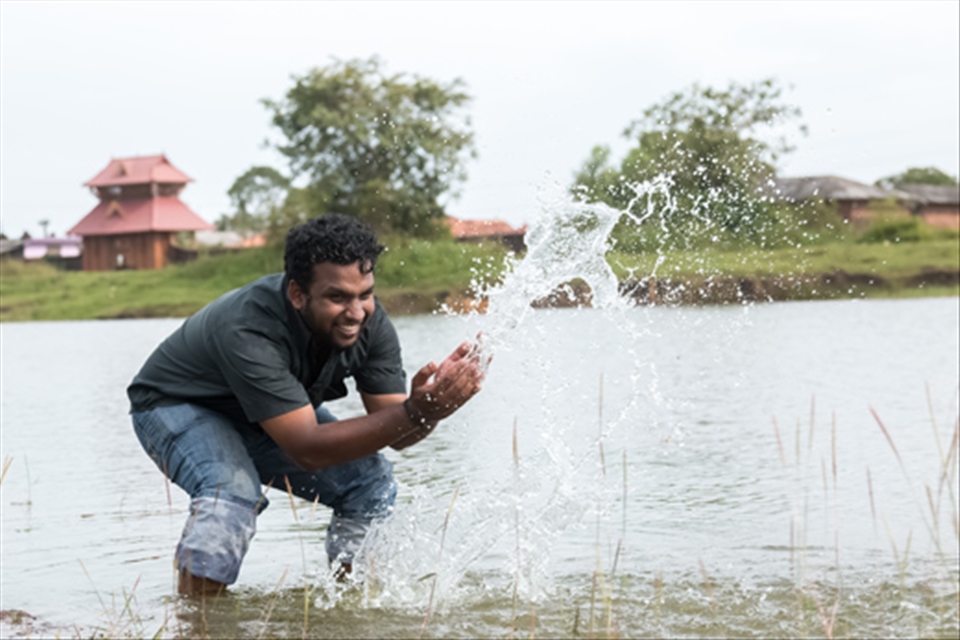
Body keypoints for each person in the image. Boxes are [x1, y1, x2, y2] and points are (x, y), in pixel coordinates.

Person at [128, 214, 485, 595]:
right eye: (337, 297)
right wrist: (417, 412)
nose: (356, 312)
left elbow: (394, 430)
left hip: (269, 413)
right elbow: (307, 448)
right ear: (297, 294)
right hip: (178, 405)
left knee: (370, 482)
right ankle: (197, 625)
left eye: (365, 294)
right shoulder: (248, 327)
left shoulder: (371, 324)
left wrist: (433, 408)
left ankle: (349, 609)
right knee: (230, 493)